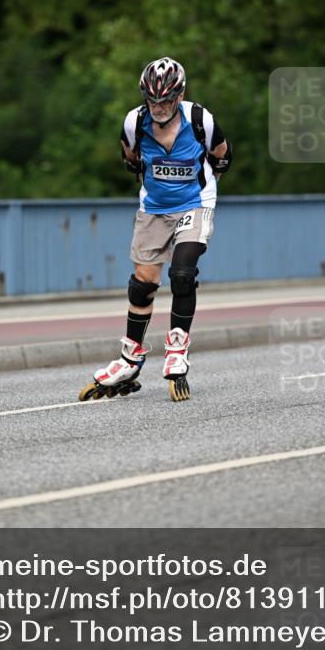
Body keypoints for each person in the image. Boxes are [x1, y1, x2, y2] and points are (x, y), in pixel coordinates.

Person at [79, 56, 232, 402]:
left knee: (182, 273)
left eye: (165, 100)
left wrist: (205, 186)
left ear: (179, 95)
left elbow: (223, 155)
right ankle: (130, 358)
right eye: (152, 100)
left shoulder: (199, 119)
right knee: (142, 284)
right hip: (154, 208)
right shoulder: (134, 122)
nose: (159, 107)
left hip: (195, 203)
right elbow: (130, 159)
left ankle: (177, 347)